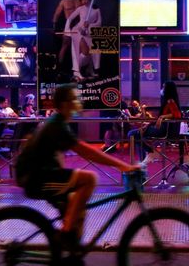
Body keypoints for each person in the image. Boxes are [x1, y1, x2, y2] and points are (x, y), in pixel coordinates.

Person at [27, 84, 139, 249]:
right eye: (74, 98)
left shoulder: (59, 121)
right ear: (65, 104)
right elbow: (87, 152)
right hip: (37, 178)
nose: (78, 101)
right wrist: (123, 166)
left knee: (78, 211)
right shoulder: (57, 125)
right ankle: (65, 235)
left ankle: (72, 250)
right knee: (89, 179)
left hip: (45, 174)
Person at [128, 82, 183, 165]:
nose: (162, 89)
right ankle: (144, 159)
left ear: (168, 89)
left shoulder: (170, 101)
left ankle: (149, 153)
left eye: (164, 87)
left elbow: (177, 114)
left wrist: (162, 117)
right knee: (137, 135)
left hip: (162, 131)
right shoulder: (168, 101)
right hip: (161, 129)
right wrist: (150, 124)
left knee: (131, 134)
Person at [67, 0, 102, 81]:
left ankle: (89, 70)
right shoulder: (80, 9)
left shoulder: (96, 9)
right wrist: (67, 31)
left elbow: (99, 23)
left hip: (89, 33)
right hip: (78, 31)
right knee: (83, 52)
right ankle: (76, 71)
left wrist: (90, 24)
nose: (84, 1)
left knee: (92, 52)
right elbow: (69, 18)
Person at [54, 0, 82, 73]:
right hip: (69, 25)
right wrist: (54, 27)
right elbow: (57, 15)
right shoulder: (64, 1)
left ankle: (78, 69)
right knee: (65, 46)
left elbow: (87, 14)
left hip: (79, 26)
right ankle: (59, 69)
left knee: (80, 47)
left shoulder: (81, 1)